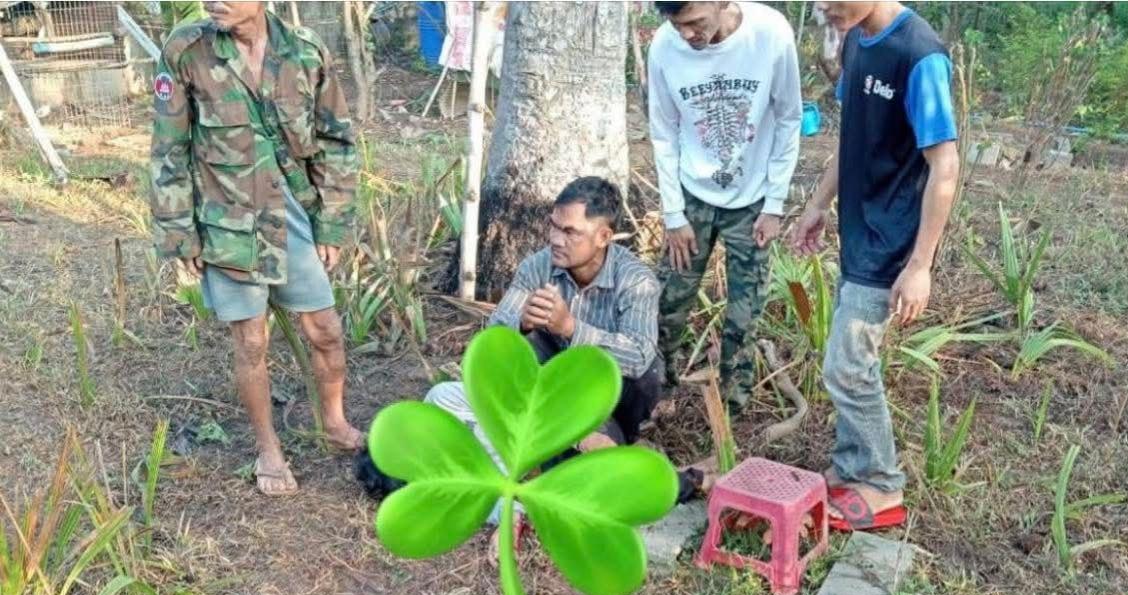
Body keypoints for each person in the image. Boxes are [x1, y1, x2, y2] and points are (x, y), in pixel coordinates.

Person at [356, 177, 691, 521]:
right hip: (544, 403)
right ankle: (591, 450)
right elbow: (494, 344)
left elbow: (637, 357)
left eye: (570, 232)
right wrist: (522, 325)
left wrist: (571, 328)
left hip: (608, 399)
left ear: (604, 236)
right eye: (553, 227)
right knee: (573, 458)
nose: (556, 240)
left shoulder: (635, 280)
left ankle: (613, 448)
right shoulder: (537, 266)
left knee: (642, 377)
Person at [150, 0, 363, 497]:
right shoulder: (187, 51)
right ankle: (268, 448)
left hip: (292, 215)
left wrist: (331, 224)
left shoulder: (305, 53)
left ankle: (334, 423)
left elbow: (337, 142)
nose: (212, 1)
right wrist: (180, 231)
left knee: (326, 330)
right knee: (250, 342)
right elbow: (168, 148)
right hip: (226, 221)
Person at [791, 1, 960, 530]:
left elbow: (945, 165)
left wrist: (921, 265)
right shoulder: (855, 41)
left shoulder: (919, 55)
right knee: (850, 360)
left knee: (846, 366)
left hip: (892, 244)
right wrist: (819, 204)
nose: (822, 6)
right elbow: (852, 139)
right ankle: (851, 471)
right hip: (859, 232)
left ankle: (883, 486)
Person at [648, 1, 802, 416]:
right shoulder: (664, 46)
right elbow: (663, 131)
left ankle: (731, 411)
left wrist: (774, 204)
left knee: (744, 312)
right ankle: (655, 392)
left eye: (695, 22)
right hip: (691, 195)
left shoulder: (771, 33)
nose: (687, 35)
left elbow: (789, 118)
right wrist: (673, 213)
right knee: (669, 300)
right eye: (677, 25)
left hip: (752, 201)